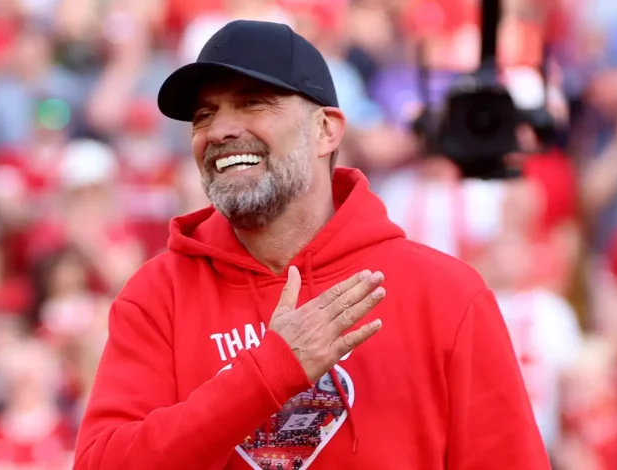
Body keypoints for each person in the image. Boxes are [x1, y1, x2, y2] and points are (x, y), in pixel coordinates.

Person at [74, 20, 550, 469]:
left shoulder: (445, 294)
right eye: (204, 115)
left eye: (253, 103)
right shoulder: (158, 295)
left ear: (326, 130)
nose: (219, 130)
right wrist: (268, 374)